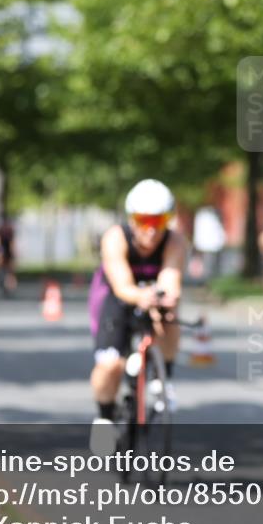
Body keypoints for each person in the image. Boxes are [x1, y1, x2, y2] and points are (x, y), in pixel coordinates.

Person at [88, 179, 187, 425]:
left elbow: (170, 279)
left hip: (152, 296)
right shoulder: (115, 238)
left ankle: (163, 376)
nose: (152, 230)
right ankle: (105, 416)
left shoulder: (175, 241)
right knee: (110, 367)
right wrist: (141, 296)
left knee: (170, 310)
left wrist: (165, 296)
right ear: (132, 219)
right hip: (116, 298)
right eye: (145, 221)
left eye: (159, 221)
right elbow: (122, 286)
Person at [0, 213, 17, 296]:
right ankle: (3, 282)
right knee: (3, 268)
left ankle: (7, 284)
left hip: (6, 250)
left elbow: (12, 242)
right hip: (3, 249)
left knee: (9, 269)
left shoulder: (8, 230)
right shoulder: (3, 230)